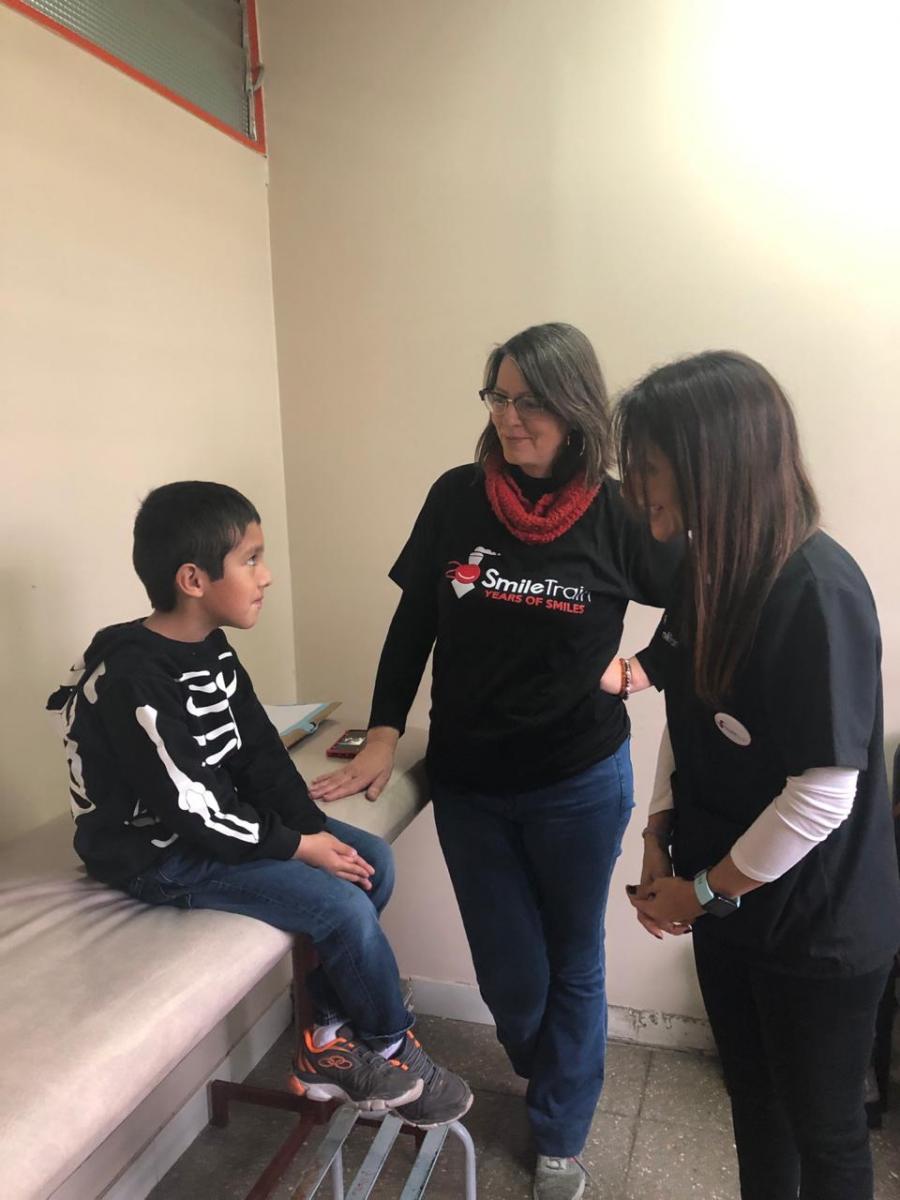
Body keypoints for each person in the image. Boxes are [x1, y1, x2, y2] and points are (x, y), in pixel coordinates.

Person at [310, 323, 674, 1200]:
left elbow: (701, 602)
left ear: (576, 407)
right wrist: (388, 728)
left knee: (574, 957)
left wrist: (641, 669)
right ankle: (550, 1064)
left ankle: (559, 1131)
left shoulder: (620, 511)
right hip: (472, 782)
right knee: (513, 975)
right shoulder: (457, 498)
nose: (511, 418)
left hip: (581, 780)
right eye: (499, 398)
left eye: (531, 400)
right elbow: (414, 623)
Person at [46, 480, 471, 1129]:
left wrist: (311, 829)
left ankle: (325, 1038)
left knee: (371, 860)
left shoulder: (211, 646)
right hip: (155, 853)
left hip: (209, 823)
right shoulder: (135, 675)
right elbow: (192, 810)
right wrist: (300, 848)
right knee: (340, 905)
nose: (266, 576)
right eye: (251, 559)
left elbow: (259, 755)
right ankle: (388, 1044)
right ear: (194, 578)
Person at [612, 351, 900, 1200]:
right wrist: (659, 839)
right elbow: (692, 717)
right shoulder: (709, 568)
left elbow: (824, 792)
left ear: (712, 461)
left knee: (826, 1134)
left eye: (651, 466)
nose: (638, 487)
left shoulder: (817, 590)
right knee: (756, 1105)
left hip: (818, 930)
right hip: (727, 902)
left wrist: (703, 892)